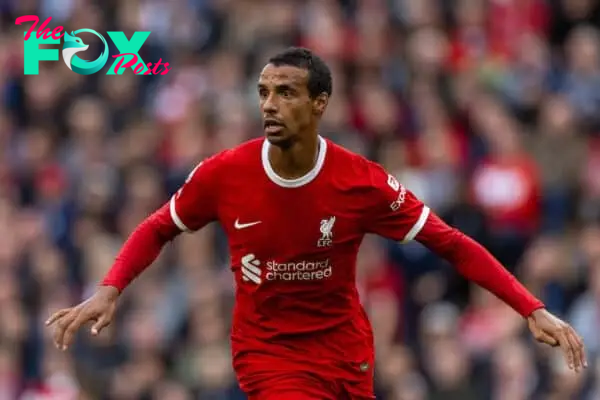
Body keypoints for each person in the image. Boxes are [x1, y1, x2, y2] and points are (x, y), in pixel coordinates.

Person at [46, 47, 587, 400]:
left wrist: (530, 307)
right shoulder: (224, 175)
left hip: (346, 353)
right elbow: (159, 226)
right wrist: (110, 288)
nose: (270, 105)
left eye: (286, 93)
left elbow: (450, 243)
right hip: (269, 354)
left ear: (319, 102)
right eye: (263, 93)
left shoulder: (360, 182)